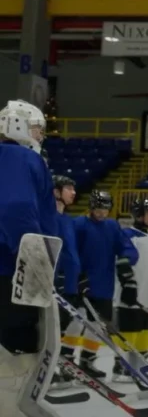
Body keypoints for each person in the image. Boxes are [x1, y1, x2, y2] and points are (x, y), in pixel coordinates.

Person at [0, 100, 63, 417]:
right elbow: (16, 209)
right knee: (17, 354)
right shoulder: (19, 157)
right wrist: (38, 262)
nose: (40, 136)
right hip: (12, 274)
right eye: (37, 129)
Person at [72, 190, 140, 379]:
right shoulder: (78, 224)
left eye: (106, 209)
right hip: (80, 284)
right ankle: (67, 360)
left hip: (104, 285)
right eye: (99, 208)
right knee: (75, 323)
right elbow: (70, 251)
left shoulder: (112, 226)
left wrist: (126, 260)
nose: (102, 212)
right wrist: (76, 275)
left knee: (99, 326)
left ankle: (87, 361)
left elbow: (127, 247)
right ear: (91, 207)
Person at [111, 198, 148, 383]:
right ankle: (121, 366)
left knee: (145, 330)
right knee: (129, 330)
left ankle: (140, 365)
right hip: (131, 293)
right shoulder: (127, 235)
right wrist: (128, 283)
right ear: (139, 215)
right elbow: (121, 261)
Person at [51, 175, 81, 390]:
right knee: (50, 329)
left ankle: (57, 365)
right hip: (54, 285)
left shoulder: (68, 220)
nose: (73, 192)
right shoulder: (47, 217)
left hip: (69, 285)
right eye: (68, 188)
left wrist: (80, 276)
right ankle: (46, 370)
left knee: (62, 328)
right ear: (56, 192)